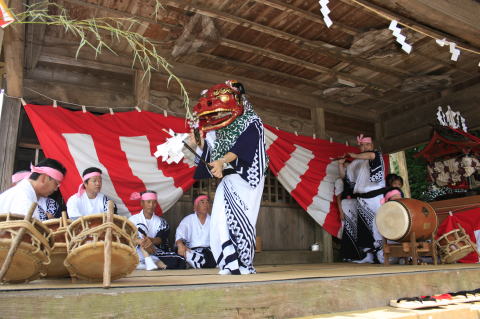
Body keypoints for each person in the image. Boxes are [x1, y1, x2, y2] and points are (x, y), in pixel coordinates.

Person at [190, 80, 268, 275]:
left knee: (241, 220)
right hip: (228, 179)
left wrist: (222, 162)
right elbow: (213, 155)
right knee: (221, 219)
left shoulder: (253, 122)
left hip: (246, 179)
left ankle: (244, 264)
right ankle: (229, 263)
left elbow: (242, 147)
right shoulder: (221, 130)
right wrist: (199, 144)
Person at [338, 134, 385, 264]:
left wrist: (354, 155)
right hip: (362, 199)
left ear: (372, 146)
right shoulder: (356, 163)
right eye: (362, 145)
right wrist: (341, 165)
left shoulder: (376, 155)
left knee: (377, 226)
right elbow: (345, 178)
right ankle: (368, 257)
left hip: (375, 197)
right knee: (365, 231)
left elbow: (371, 156)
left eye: (367, 145)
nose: (365, 147)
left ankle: (383, 256)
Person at [129, 190, 186, 270]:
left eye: (154, 202)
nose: (151, 205)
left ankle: (144, 263)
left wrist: (150, 241)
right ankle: (149, 262)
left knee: (181, 261)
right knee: (140, 243)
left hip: (155, 252)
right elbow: (127, 238)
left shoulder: (162, 222)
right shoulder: (132, 220)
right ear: (142, 203)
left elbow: (160, 239)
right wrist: (141, 242)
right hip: (136, 251)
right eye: (148, 202)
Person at [0, 159, 66, 220]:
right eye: (56, 184)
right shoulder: (24, 198)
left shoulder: (22, 192)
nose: (56, 189)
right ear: (44, 178)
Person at [175, 194, 216, 269]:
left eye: (207, 202)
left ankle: (194, 262)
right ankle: (200, 262)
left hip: (208, 251)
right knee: (183, 252)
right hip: (191, 250)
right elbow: (180, 234)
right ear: (195, 206)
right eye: (202, 202)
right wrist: (180, 245)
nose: (205, 204)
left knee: (214, 255)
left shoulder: (213, 220)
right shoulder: (188, 220)